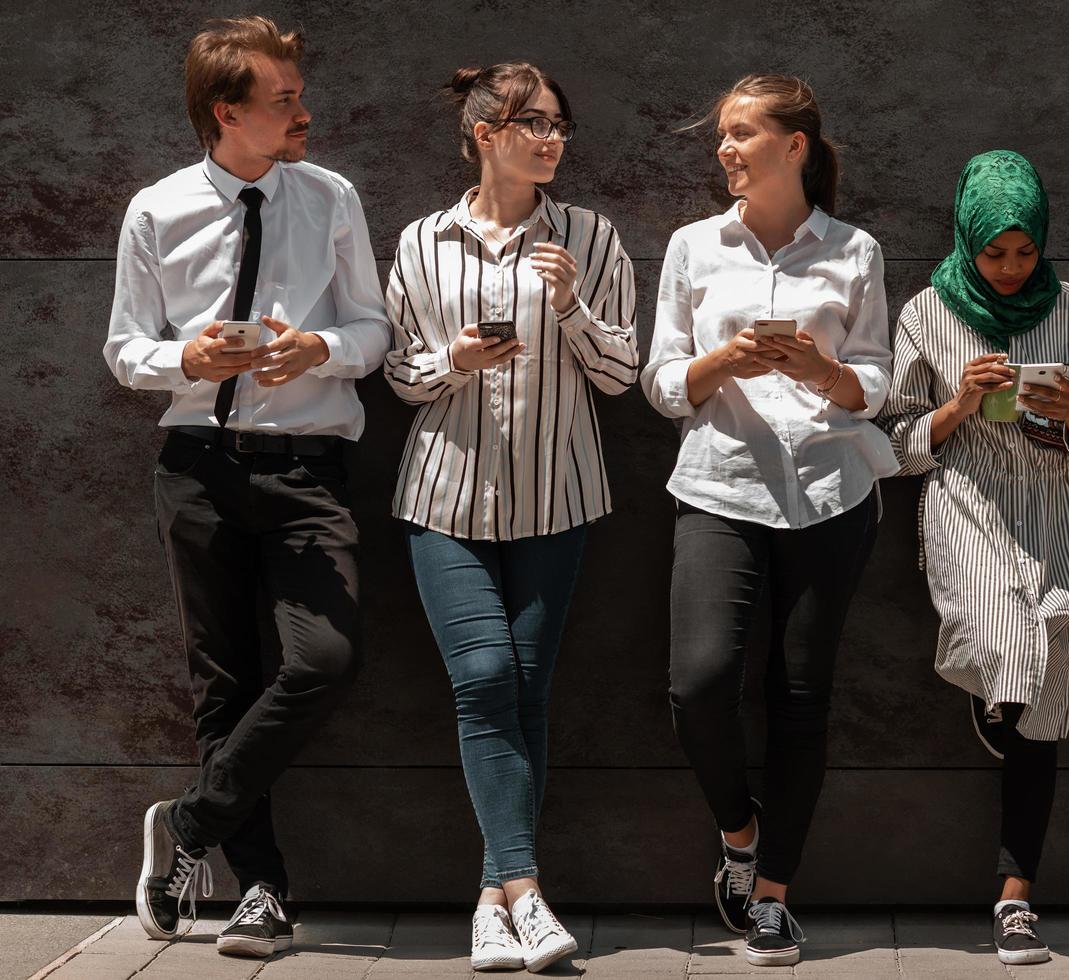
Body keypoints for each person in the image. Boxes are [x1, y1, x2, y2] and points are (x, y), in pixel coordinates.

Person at [103, 15, 389, 958]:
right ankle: (261, 888)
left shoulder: (331, 196)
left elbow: (372, 330)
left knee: (322, 661)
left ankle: (187, 826)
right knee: (222, 681)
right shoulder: (156, 209)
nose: (303, 112)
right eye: (285, 101)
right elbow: (124, 350)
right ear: (229, 113)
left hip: (309, 470)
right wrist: (187, 355)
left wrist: (320, 347)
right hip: (198, 467)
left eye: (298, 95)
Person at [382, 62, 638, 974]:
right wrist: (452, 359)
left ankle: (494, 902)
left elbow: (621, 375)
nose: (553, 139)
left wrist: (569, 305)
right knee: (485, 677)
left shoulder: (591, 238)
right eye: (534, 124)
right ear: (485, 134)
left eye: (561, 124)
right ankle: (528, 890)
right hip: (443, 498)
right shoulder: (420, 242)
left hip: (555, 499)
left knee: (525, 692)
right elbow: (401, 377)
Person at [641, 73, 897, 968]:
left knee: (801, 700)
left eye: (743, 134)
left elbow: (878, 382)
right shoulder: (692, 247)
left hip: (831, 494)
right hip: (722, 486)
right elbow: (664, 381)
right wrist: (728, 359)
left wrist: (818, 369)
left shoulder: (853, 250)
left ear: (795, 146)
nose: (726, 150)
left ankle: (775, 899)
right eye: (722, 136)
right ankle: (738, 832)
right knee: (700, 683)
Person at [878, 149, 1069, 966]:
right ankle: (998, 692)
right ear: (966, 239)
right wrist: (957, 402)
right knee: (1008, 648)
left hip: (1061, 510)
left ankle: (1015, 898)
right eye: (995, 253)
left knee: (1049, 692)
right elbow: (899, 448)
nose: (1013, 269)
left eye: (1025, 252)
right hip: (969, 505)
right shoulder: (925, 312)